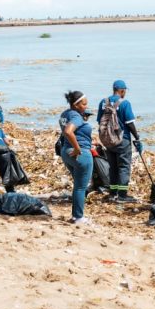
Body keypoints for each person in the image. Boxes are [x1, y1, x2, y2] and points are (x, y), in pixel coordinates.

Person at [96, 80, 142, 203]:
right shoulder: (124, 103)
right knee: (123, 167)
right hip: (122, 140)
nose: (125, 93)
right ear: (122, 90)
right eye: (125, 90)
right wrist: (137, 137)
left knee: (113, 167)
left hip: (107, 141)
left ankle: (112, 193)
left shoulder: (103, 102)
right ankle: (122, 195)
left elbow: (99, 121)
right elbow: (129, 123)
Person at [59, 91, 94, 225]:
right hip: (80, 154)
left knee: (78, 185)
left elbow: (69, 132)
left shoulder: (65, 114)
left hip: (66, 152)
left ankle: (76, 215)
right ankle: (78, 217)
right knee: (81, 187)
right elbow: (68, 131)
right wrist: (78, 148)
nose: (86, 106)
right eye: (84, 104)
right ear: (76, 104)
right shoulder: (76, 116)